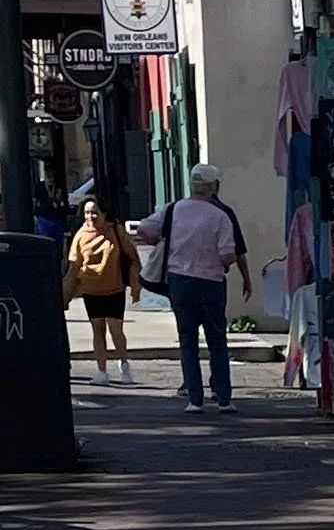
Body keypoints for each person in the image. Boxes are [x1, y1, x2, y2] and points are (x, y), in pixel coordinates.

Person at [133, 163, 251, 415]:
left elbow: (144, 229)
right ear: (214, 187)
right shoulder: (220, 216)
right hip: (210, 283)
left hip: (179, 280)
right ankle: (223, 398)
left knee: (188, 340)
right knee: (217, 339)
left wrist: (161, 241)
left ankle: (194, 400)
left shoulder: (174, 209)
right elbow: (228, 255)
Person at [63, 194, 141, 381]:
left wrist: (135, 285)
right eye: (87, 213)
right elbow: (74, 267)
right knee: (97, 329)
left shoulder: (115, 230)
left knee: (115, 329)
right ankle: (101, 371)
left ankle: (124, 363)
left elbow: (132, 257)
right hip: (91, 290)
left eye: (94, 213)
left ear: (104, 213)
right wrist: (65, 293)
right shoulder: (80, 236)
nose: (90, 217)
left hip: (115, 288)